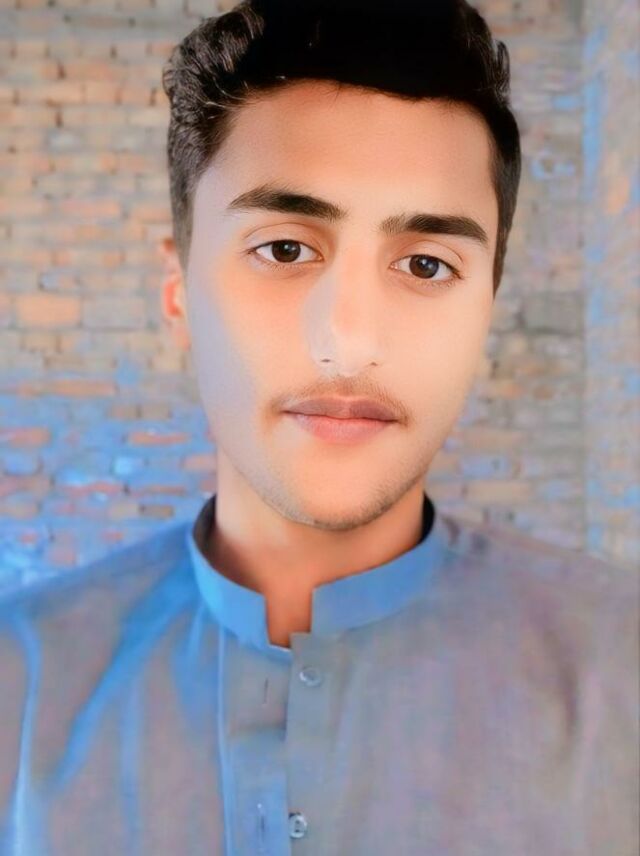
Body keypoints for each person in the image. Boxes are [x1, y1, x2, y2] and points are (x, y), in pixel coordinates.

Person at [1, 0, 637, 853]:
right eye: (285, 250)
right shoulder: (18, 675)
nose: (349, 341)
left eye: (426, 264)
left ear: (486, 308)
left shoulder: (622, 663)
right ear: (179, 293)